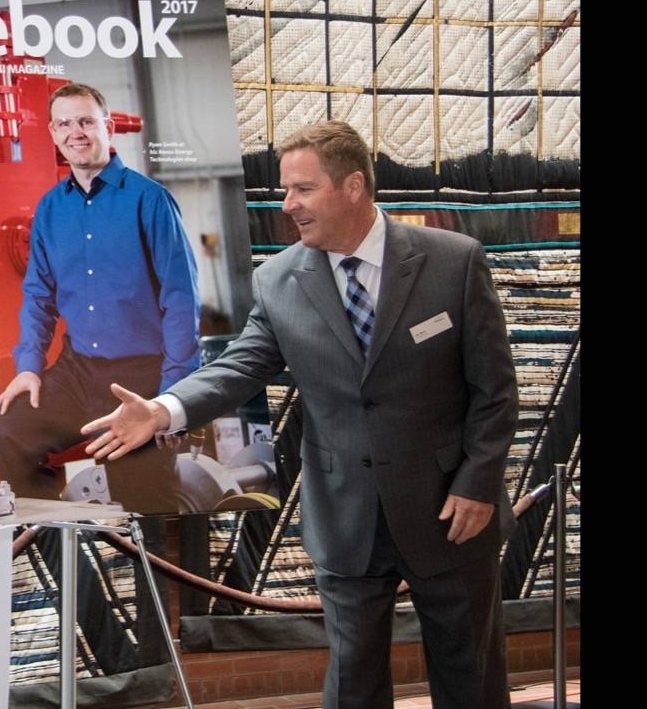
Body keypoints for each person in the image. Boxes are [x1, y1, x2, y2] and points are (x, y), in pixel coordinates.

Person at [82, 120, 518, 708]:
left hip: (451, 509)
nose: (287, 206)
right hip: (346, 517)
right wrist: (163, 410)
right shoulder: (278, 279)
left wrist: (478, 484)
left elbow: (494, 390)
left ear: (353, 186)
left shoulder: (453, 262)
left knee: (469, 676)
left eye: (302, 190)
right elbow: (240, 366)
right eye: (286, 191)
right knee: (353, 683)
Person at [0, 83, 201, 512]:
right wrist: (28, 367)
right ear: (52, 133)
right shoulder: (50, 208)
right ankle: (61, 545)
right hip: (76, 371)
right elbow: (38, 295)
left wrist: (170, 397)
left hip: (139, 377)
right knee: (5, 432)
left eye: (86, 121)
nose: (76, 132)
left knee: (141, 506)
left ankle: (157, 577)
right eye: (64, 123)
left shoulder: (150, 200)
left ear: (109, 127)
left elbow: (180, 301)